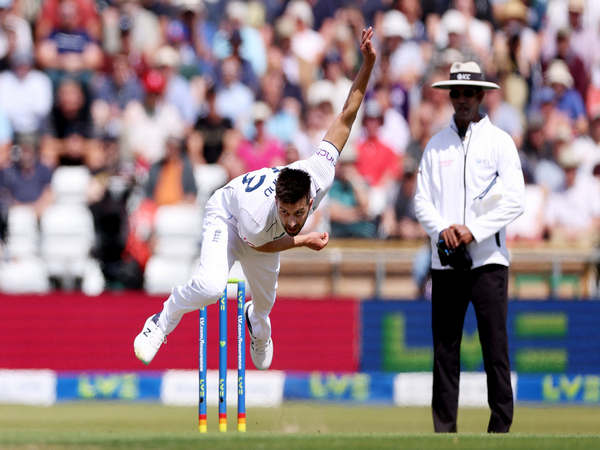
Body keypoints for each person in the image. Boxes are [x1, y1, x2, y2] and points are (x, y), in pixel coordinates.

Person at [133, 28, 376, 369]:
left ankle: (257, 328)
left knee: (263, 306)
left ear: (310, 199)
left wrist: (368, 64)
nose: (292, 221)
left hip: (262, 234)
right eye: (287, 213)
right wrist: (302, 239)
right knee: (210, 286)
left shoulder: (320, 172)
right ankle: (161, 321)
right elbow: (260, 246)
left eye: (299, 213)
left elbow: (347, 113)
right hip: (231, 218)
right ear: (277, 202)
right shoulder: (260, 214)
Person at [414, 61, 525, 433]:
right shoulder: (436, 144)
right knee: (445, 350)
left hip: (489, 261)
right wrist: (444, 229)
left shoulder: (500, 142)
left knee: (495, 348)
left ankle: (501, 429)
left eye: (468, 93)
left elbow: (515, 201)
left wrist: (472, 231)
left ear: (481, 95)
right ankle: (444, 430)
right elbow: (421, 202)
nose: (462, 99)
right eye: (456, 93)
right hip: (446, 264)